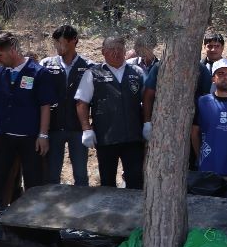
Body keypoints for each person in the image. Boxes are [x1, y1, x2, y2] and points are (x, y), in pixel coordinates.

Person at [0, 32, 56, 205]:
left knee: (34, 183)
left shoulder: (38, 73)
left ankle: (31, 225)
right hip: (2, 136)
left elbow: (45, 106)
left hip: (30, 138)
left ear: (13, 51)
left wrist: (43, 135)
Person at [75, 35, 149, 189]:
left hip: (133, 138)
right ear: (103, 52)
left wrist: (148, 122)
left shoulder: (137, 72)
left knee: (136, 180)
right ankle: (110, 212)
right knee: (107, 181)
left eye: (119, 49)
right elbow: (82, 103)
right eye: (111, 49)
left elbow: (148, 99)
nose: (116, 53)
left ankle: (134, 212)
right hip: (106, 138)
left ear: (125, 51)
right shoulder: (93, 73)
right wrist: (86, 129)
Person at [41, 25, 90, 186]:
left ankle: (82, 208)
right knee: (51, 174)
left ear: (73, 40)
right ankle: (52, 208)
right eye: (55, 43)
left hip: (78, 128)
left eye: (60, 43)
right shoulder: (46, 65)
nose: (57, 47)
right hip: (53, 127)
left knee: (81, 175)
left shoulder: (88, 66)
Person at [191, 59, 227, 177]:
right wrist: (200, 156)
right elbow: (194, 132)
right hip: (209, 166)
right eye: (220, 74)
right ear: (213, 78)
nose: (225, 77)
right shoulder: (202, 102)